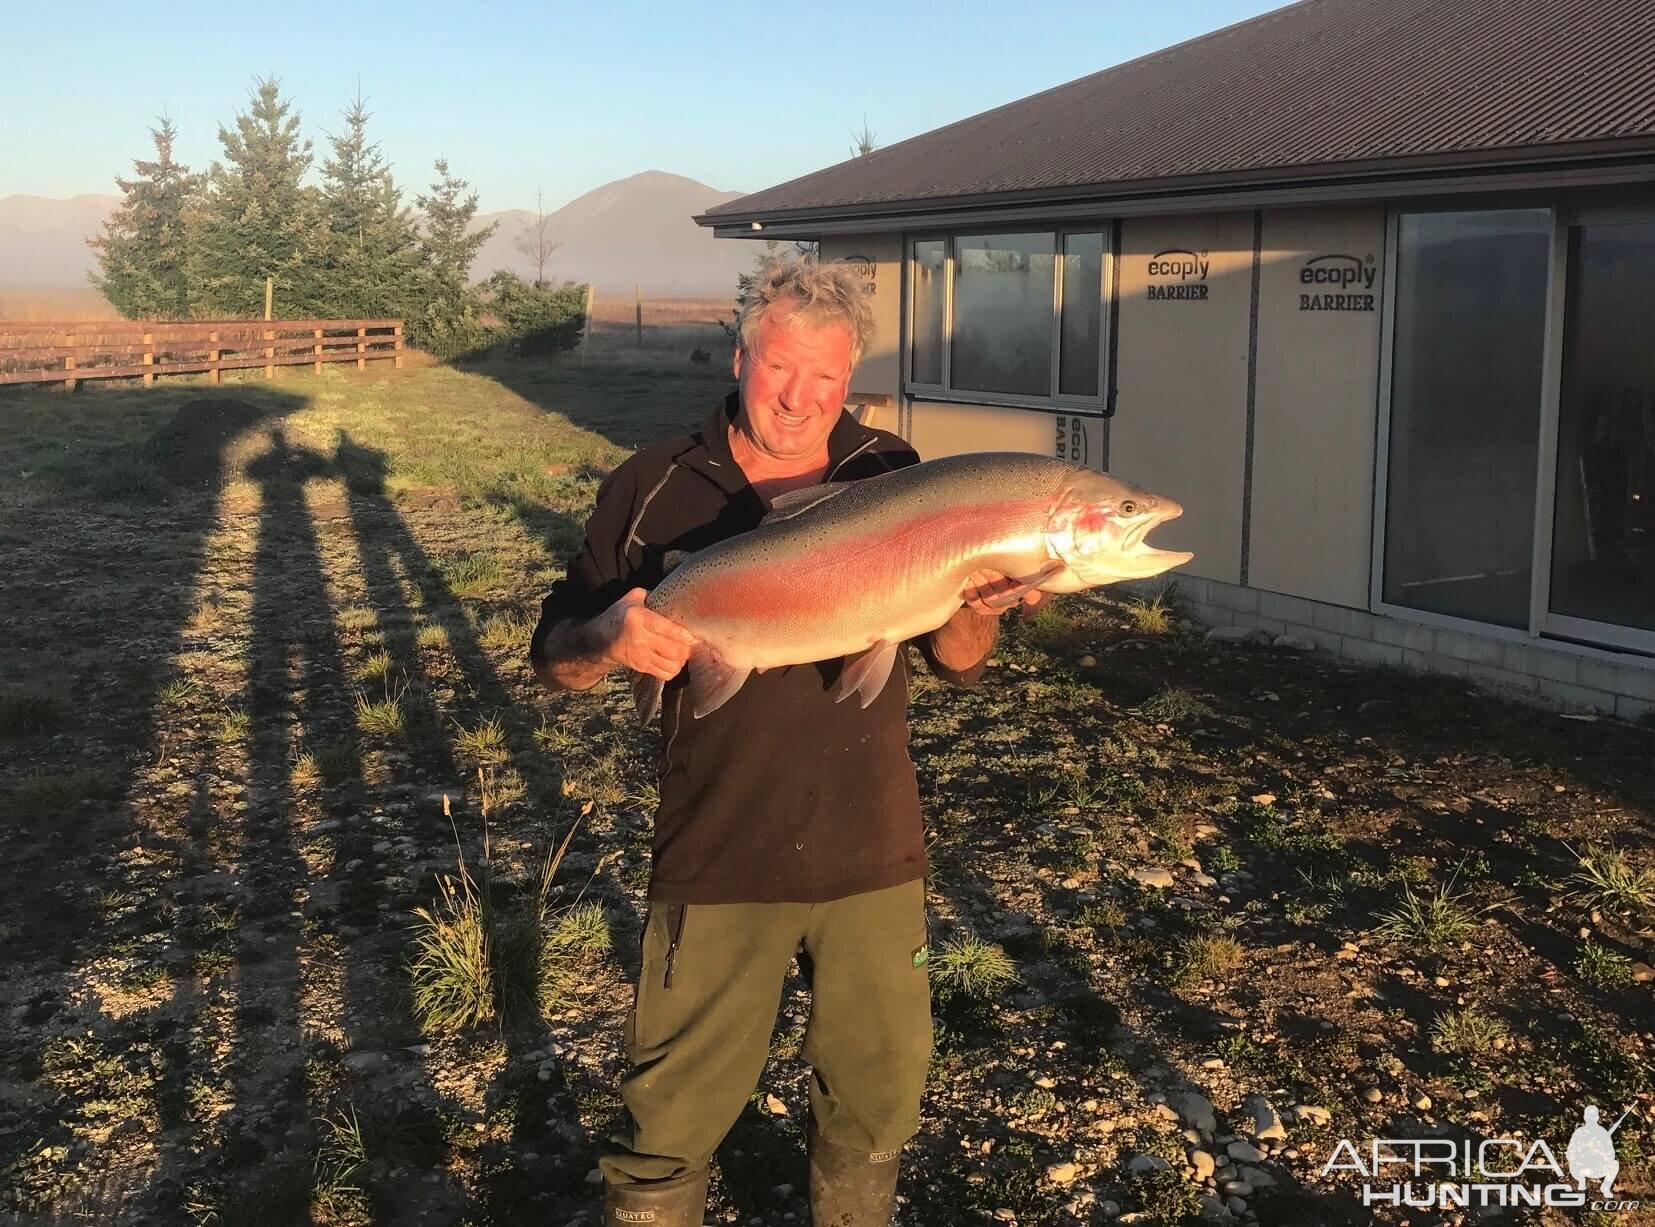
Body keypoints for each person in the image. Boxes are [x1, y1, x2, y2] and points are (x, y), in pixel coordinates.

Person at [529, 257, 1044, 1227]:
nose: (799, 399)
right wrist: (611, 637)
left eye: (826, 377)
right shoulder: (653, 486)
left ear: (851, 378)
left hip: (872, 849)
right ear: (740, 354)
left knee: (875, 1098)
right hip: (717, 848)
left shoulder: (895, 476)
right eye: (778, 368)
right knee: (668, 1113)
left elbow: (959, 661)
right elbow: (552, 654)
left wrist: (979, 605)